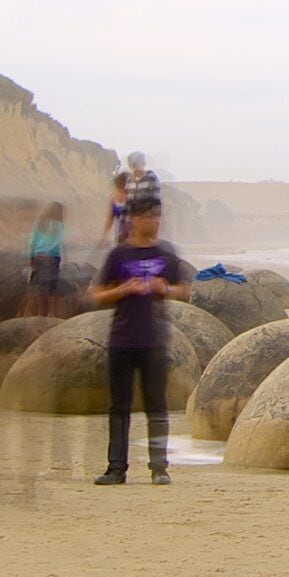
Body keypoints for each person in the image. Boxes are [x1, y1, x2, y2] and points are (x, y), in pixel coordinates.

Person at [90, 196, 191, 485]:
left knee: (156, 405)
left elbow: (186, 291)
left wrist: (166, 288)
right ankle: (116, 468)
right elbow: (96, 294)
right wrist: (124, 289)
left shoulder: (167, 254)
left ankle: (159, 467)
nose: (156, 222)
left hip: (155, 340)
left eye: (158, 216)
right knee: (118, 406)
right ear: (133, 218)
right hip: (122, 338)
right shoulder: (119, 256)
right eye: (150, 216)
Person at [24, 202, 68, 320]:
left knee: (40, 285)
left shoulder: (39, 223)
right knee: (51, 285)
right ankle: (51, 313)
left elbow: (32, 241)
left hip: (39, 256)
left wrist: (32, 256)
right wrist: (49, 252)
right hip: (53, 257)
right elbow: (57, 242)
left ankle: (40, 312)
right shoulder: (58, 225)